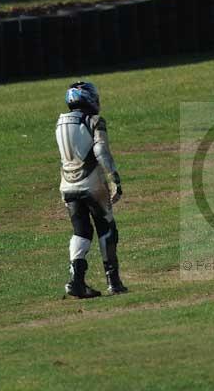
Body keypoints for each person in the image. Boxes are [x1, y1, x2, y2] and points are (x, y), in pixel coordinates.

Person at [55, 81, 128, 298]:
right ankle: (113, 282)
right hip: (92, 183)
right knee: (107, 229)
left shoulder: (60, 122)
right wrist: (115, 178)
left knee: (81, 232)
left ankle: (76, 281)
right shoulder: (94, 120)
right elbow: (101, 151)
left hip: (67, 185)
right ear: (89, 99)